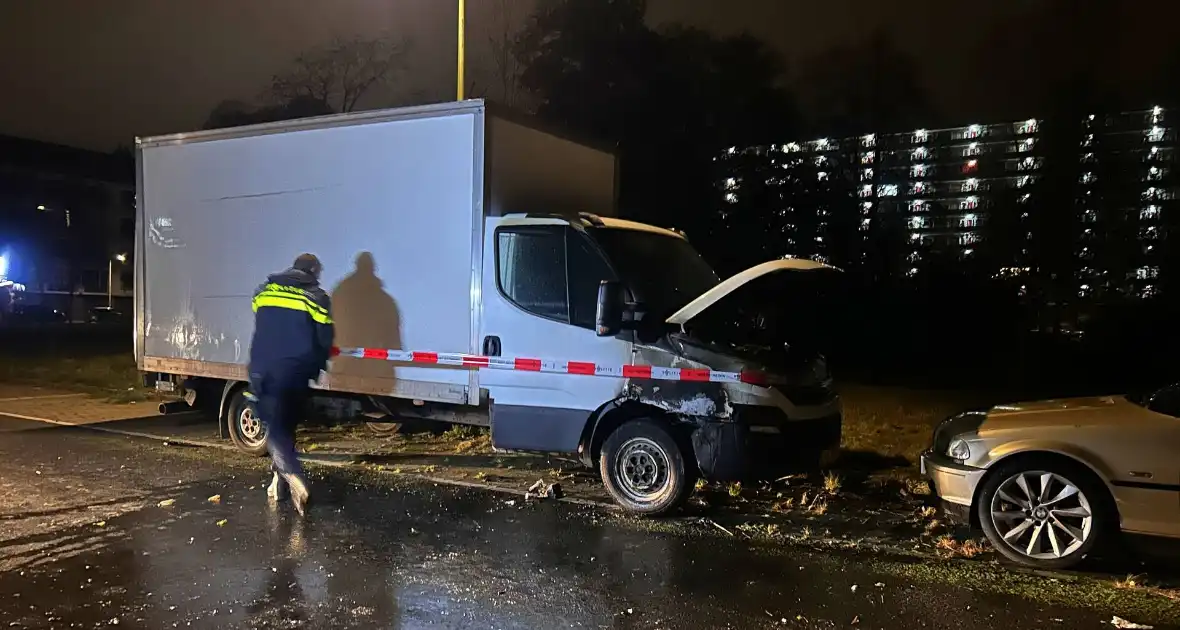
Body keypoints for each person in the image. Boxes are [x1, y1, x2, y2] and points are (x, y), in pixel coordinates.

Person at [248, 253, 334, 515]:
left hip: (264, 367)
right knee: (284, 425)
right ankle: (282, 482)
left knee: (275, 427)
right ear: (313, 272)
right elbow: (325, 338)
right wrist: (318, 363)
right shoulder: (317, 297)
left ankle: (290, 475)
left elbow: (262, 319)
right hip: (296, 370)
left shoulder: (264, 291)